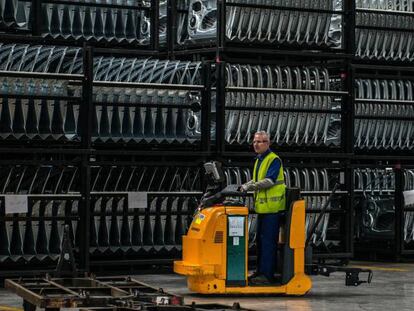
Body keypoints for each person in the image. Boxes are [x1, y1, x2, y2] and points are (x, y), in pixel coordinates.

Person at [240, 131, 286, 284]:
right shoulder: (260, 160)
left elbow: (269, 181)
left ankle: (267, 275)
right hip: (263, 209)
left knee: (268, 243)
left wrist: (250, 187)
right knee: (260, 242)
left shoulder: (274, 159)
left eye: (260, 141)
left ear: (268, 143)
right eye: (254, 141)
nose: (256, 144)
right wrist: (245, 185)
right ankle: (260, 272)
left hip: (272, 209)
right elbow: (256, 179)